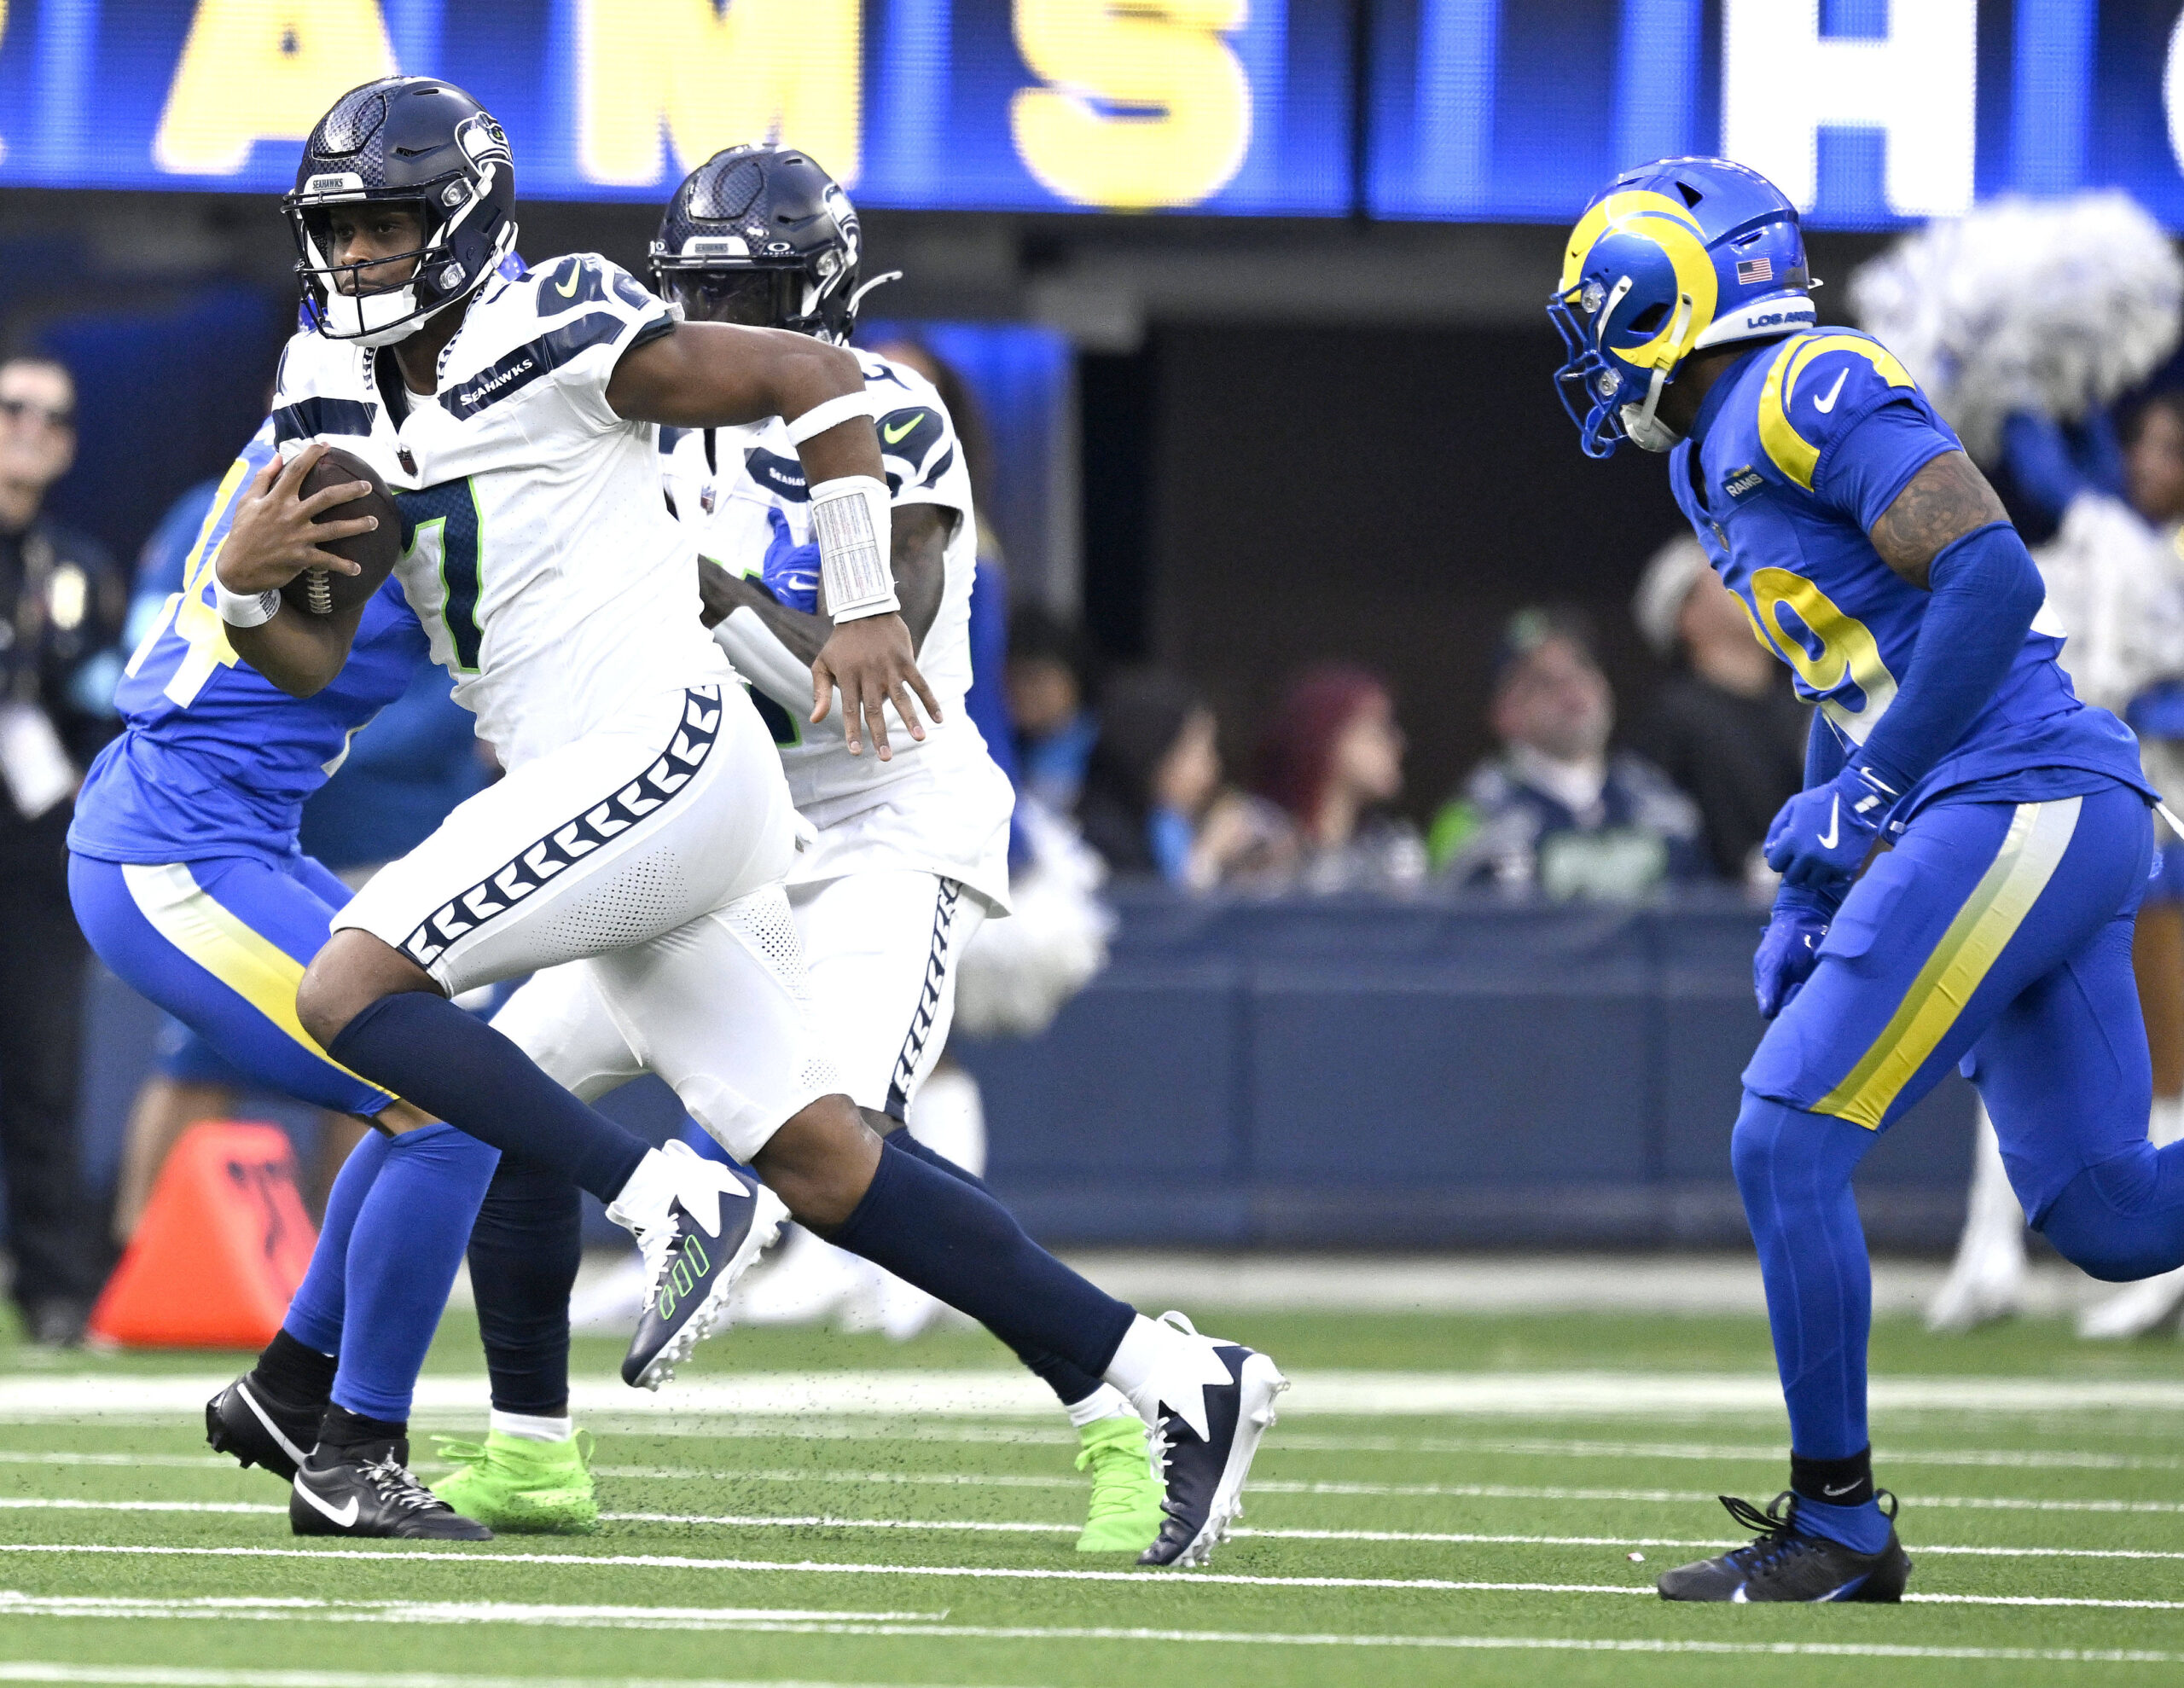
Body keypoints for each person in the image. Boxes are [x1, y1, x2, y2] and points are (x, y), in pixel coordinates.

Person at [216, 78, 1282, 1569]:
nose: (365, 255)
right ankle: (1170, 1375)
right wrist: (246, 584)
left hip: (826, 805)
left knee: (367, 991)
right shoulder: (342, 377)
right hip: (658, 795)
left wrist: (830, 595)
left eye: (392, 222)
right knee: (756, 1145)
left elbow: (852, 547)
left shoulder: (618, 338)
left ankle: (656, 1213)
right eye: (343, 227)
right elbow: (323, 633)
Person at [439, 144, 1165, 1554]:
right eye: (709, 295)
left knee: (830, 1159)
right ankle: (530, 1447)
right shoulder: (635, 421)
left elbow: (852, 664)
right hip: (709, 825)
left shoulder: (889, 409)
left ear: (822, 296)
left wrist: (687, 582)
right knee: (504, 1097)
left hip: (871, 827)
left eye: (757, 296)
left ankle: (1125, 1385)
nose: (734, 325)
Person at [1554, 157, 2169, 1602]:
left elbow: (1994, 580)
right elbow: (1853, 679)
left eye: (1603, 302)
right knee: (2113, 1214)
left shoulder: (1798, 384)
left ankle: (1837, 1522)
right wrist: (1813, 882)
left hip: (2018, 789)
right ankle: (1836, 1526)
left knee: (1784, 1132)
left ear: (1682, 285)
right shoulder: (1721, 445)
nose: (1589, 336)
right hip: (2020, 802)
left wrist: (1879, 801)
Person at [1928, 391, 2184, 1337]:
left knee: (2160, 1049)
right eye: (2145, 445)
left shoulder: (2134, 546)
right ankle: (1987, 1245)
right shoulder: (2104, 541)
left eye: (2171, 448)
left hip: (2158, 816)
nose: (2151, 465)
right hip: (2082, 805)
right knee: (2012, 1023)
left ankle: (2150, 1272)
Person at [0, 352, 128, 1345]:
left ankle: (52, 1289)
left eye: (56, 415)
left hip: (35, 852)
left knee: (45, 1071)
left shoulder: (77, 566)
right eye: (13, 407)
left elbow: (100, 705)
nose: (34, 426)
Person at [1432, 608, 1705, 897]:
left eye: (1581, 666)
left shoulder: (1664, 801)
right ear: (1504, 713)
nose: (1570, 687)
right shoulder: (1472, 816)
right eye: (1542, 678)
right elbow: (1450, 930)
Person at [1629, 534, 1809, 885]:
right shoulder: (1672, 719)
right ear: (1686, 617)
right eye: (1721, 570)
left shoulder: (1807, 702)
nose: (1749, 576)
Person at [1075, 669, 1282, 888]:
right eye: (1197, 750)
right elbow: (1156, 918)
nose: (1211, 768)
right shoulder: (1102, 843)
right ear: (1153, 751)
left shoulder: (1168, 825)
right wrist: (1207, 857)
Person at [1251, 663, 1425, 893]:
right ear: (1326, 740)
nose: (1398, 744)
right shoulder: (1259, 842)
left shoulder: (1394, 854)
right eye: (1378, 730)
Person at [1007, 605, 1099, 813]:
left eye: (1035, 678)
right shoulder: (998, 746)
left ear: (1073, 680)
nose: (1022, 691)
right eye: (1013, 678)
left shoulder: (1103, 755)